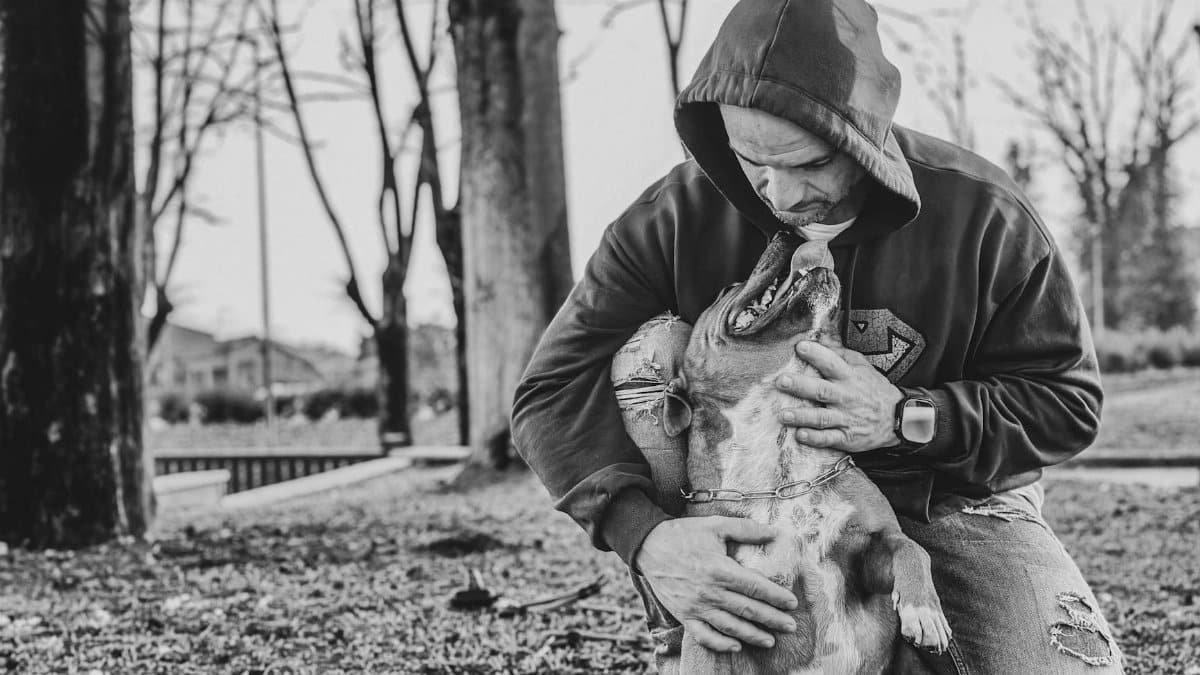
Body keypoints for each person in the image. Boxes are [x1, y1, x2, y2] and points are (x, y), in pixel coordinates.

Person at [511, 0, 1125, 672]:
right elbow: (549, 390)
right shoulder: (674, 218)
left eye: (807, 162)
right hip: (749, 511)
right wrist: (645, 537)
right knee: (649, 352)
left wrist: (907, 417)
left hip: (952, 497)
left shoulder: (985, 214)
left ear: (863, 137)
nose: (779, 195)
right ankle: (691, 622)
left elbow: (1068, 402)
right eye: (750, 160)